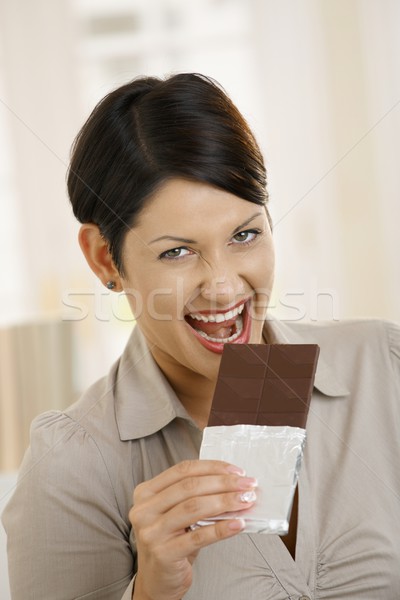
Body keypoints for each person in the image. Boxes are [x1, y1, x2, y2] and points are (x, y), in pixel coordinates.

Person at [2, 73, 400, 600]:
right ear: (105, 257)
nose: (224, 286)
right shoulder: (72, 464)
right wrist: (151, 592)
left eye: (245, 234)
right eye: (177, 251)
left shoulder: (384, 365)